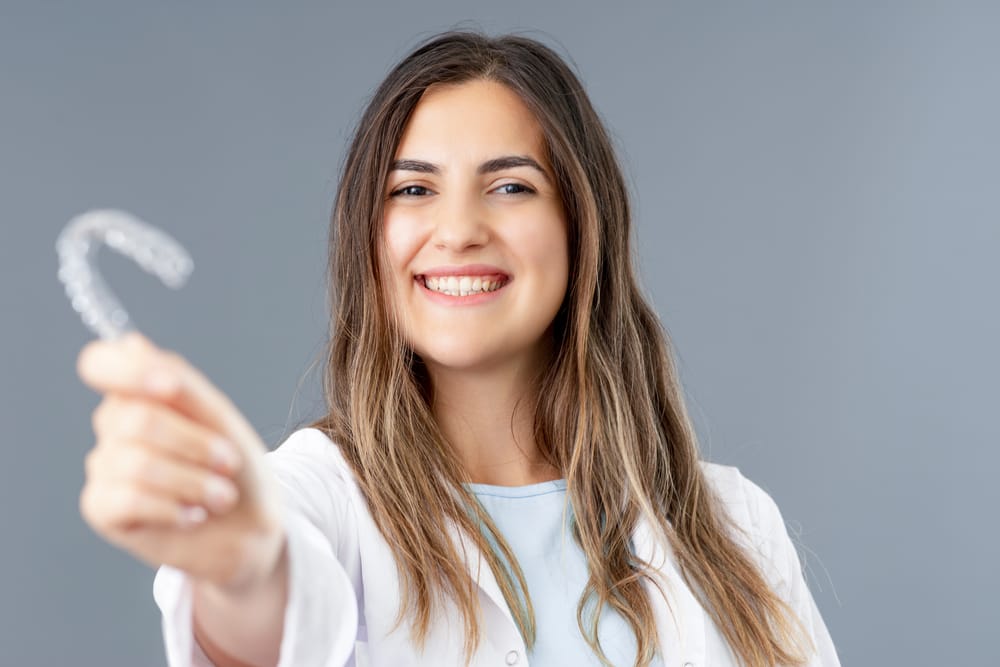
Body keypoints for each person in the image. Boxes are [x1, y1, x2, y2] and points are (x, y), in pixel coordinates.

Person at [75, 30, 841, 667]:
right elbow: (265, 611)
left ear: (581, 227)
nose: (458, 229)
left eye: (510, 186)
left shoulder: (732, 521)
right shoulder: (316, 496)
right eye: (413, 189)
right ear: (369, 240)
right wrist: (245, 564)